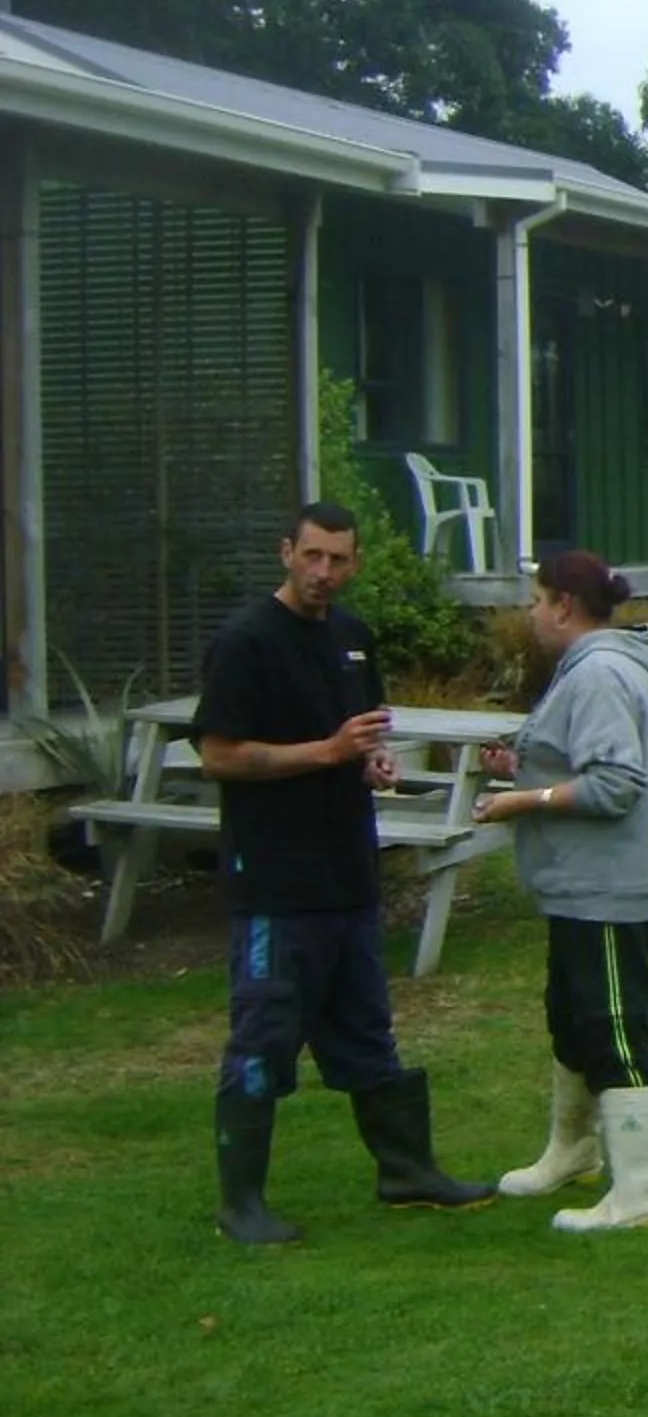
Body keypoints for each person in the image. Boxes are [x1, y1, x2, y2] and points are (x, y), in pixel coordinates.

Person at [193, 502, 493, 1245]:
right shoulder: (245, 643)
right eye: (312, 556)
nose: (324, 572)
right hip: (275, 882)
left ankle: (407, 1171)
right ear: (285, 551)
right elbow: (220, 755)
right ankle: (242, 1206)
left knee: (367, 1031)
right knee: (264, 1037)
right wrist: (324, 753)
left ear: (356, 564)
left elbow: (357, 736)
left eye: (339, 560)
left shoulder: (353, 640)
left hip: (349, 872)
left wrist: (369, 760)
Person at [473, 551, 648, 1233]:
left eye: (536, 600)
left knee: (614, 1027)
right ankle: (573, 1151)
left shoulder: (598, 674)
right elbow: (579, 758)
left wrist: (522, 799)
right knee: (571, 1017)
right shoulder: (590, 670)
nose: (530, 613)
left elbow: (617, 784)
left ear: (564, 604)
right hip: (574, 887)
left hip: (606, 888)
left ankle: (644, 1192)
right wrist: (524, 764)